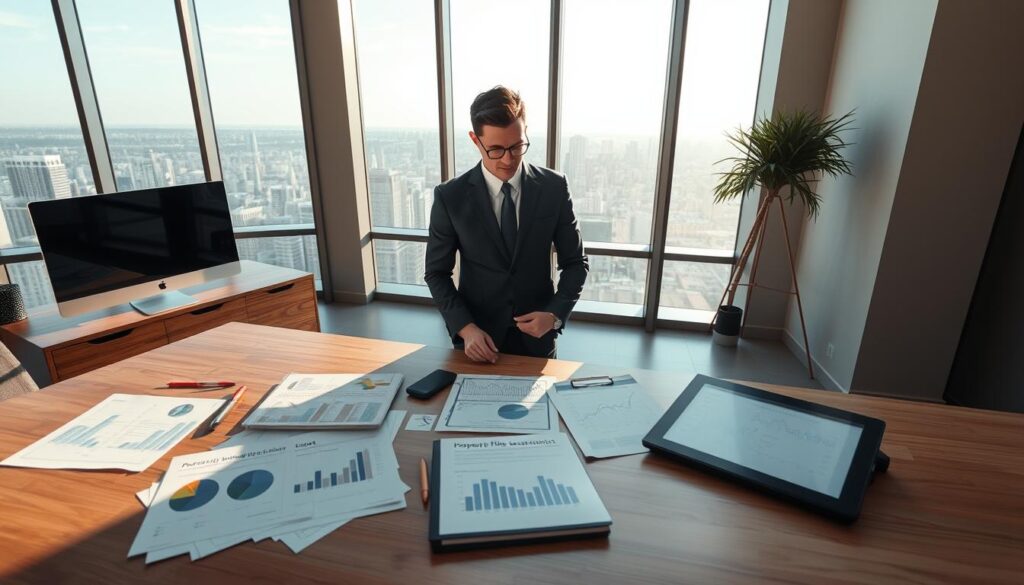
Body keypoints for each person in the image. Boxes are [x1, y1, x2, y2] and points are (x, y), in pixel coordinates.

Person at [424, 86, 588, 362]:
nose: (508, 159)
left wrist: (554, 315)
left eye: (516, 146)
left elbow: (575, 263)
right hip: (478, 341)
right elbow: (436, 273)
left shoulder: (554, 188)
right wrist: (466, 328)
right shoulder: (450, 197)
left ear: (526, 133)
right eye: (496, 149)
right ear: (475, 140)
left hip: (538, 340)